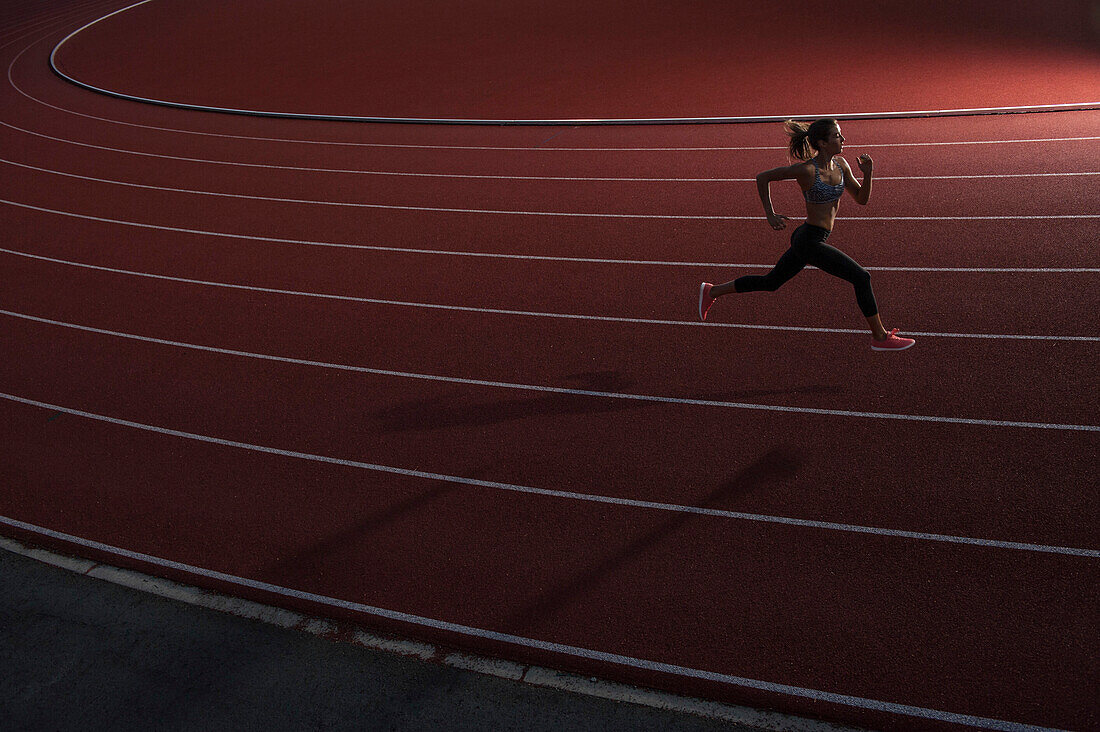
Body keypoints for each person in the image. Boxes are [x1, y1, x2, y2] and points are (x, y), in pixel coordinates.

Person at [698, 118, 914, 351]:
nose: (843, 139)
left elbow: (861, 199)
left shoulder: (842, 165)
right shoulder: (807, 170)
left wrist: (868, 174)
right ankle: (880, 337)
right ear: (822, 143)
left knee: (771, 282)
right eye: (836, 136)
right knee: (861, 277)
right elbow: (763, 177)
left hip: (813, 238)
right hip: (808, 240)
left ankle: (713, 290)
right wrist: (769, 215)